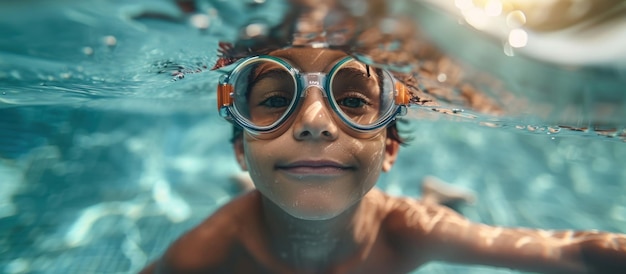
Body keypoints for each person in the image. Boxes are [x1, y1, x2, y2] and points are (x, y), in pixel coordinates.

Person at [139, 46, 626, 274]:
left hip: (398, 213)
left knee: (439, 214)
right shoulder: (208, 252)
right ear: (241, 149)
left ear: (388, 150)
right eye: (273, 102)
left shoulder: (410, 231)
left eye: (352, 102)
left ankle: (436, 193)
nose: (315, 123)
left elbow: (576, 252)